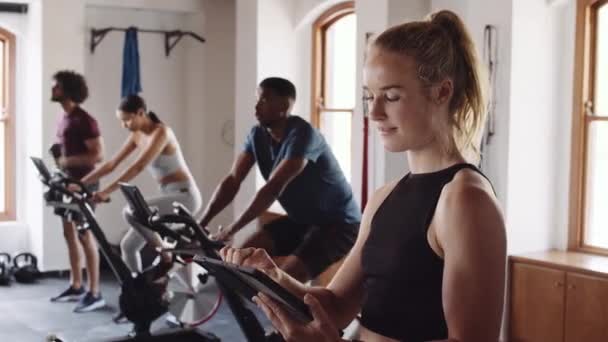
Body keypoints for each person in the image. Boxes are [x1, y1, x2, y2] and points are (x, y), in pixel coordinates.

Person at [219, 10, 507, 342]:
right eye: (370, 96)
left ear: (442, 92)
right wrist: (271, 275)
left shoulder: (465, 200)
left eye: (392, 96)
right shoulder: (385, 197)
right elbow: (336, 304)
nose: (373, 112)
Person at [200, 77, 361, 282]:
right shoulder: (257, 135)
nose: (257, 106)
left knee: (286, 281)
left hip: (338, 224)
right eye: (257, 99)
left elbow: (273, 187)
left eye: (265, 100)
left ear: (284, 105)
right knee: (241, 259)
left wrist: (231, 229)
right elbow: (233, 180)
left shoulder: (303, 134)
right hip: (302, 220)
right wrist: (201, 222)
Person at [80, 94, 202, 279]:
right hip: (168, 195)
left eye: (127, 120)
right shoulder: (137, 135)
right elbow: (112, 164)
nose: (124, 125)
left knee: (131, 211)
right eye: (122, 121)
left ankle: (165, 253)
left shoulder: (162, 132)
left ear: (140, 113)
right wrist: (81, 183)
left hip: (185, 198)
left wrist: (106, 192)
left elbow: (138, 166)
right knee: (128, 247)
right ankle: (137, 288)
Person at [49, 70, 106, 313]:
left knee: (84, 235)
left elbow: (98, 155)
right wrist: (59, 161)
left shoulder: (86, 120)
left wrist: (66, 162)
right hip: (67, 183)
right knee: (68, 233)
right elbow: (64, 154)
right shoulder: (64, 118)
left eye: (56, 86)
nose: (53, 89)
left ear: (67, 90)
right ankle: (76, 284)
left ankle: (95, 293)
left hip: (85, 184)